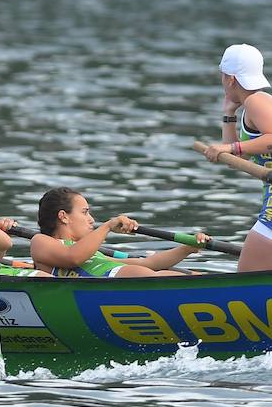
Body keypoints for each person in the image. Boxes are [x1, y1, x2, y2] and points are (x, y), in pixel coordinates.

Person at [203, 44, 272, 272]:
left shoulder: (257, 102)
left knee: (245, 279)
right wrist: (228, 114)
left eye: (222, 76)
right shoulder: (251, 106)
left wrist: (231, 148)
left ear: (230, 78)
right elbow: (237, 158)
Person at [30, 187, 206, 277]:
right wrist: (107, 227)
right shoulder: (40, 242)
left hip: (140, 279)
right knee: (151, 276)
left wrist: (187, 248)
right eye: (85, 212)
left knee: (183, 276)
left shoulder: (90, 252)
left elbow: (150, 262)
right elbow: (73, 258)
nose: (91, 219)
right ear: (64, 217)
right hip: (115, 286)